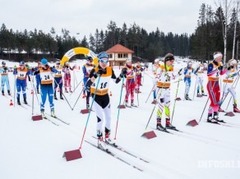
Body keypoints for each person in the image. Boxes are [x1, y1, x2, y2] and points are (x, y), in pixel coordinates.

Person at [86, 51, 123, 148]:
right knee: (100, 119)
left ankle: (107, 137)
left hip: (105, 96)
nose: (104, 63)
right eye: (102, 61)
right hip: (96, 97)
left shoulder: (110, 70)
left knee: (109, 118)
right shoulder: (94, 70)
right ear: (99, 61)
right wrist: (96, 75)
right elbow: (88, 84)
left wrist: (122, 75)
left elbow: (116, 81)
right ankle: (99, 139)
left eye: (106, 61)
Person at [155, 53, 182, 131]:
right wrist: (163, 77)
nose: (172, 62)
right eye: (171, 61)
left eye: (173, 61)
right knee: (161, 106)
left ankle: (167, 122)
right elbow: (156, 77)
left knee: (167, 105)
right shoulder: (161, 67)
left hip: (167, 89)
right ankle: (158, 123)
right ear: (167, 60)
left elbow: (173, 77)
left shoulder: (171, 68)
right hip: (160, 89)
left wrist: (178, 75)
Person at [206, 51, 227, 123]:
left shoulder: (220, 64)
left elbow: (221, 73)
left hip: (217, 83)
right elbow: (208, 74)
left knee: (217, 101)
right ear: (216, 57)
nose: (221, 59)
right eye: (219, 57)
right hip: (211, 83)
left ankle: (215, 115)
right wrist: (216, 70)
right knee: (213, 101)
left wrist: (226, 69)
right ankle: (209, 116)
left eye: (221, 57)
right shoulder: (211, 64)